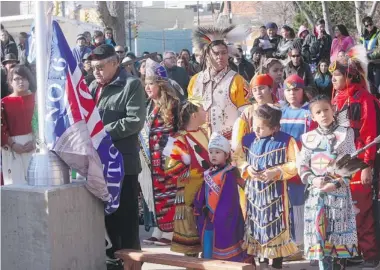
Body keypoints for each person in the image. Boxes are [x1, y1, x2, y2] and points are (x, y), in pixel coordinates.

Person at [87, 44, 146, 266]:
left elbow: (134, 121)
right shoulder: (93, 86)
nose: (96, 72)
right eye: (93, 68)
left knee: (127, 222)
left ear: (114, 63)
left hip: (123, 165)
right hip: (97, 166)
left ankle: (132, 264)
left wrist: (100, 133)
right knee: (107, 222)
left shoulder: (131, 85)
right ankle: (111, 262)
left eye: (101, 67)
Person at [331, 46, 380, 269]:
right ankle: (348, 253)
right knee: (342, 209)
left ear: (349, 76)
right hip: (339, 160)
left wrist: (367, 165)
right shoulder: (337, 99)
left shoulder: (365, 99)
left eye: (336, 76)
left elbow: (370, 134)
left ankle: (369, 253)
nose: (333, 80)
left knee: (361, 209)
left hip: (359, 159)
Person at [297, 95, 359, 270]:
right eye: (318, 112)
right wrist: (313, 179)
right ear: (313, 117)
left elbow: (351, 164)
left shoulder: (345, 133)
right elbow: (302, 164)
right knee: (320, 238)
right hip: (317, 195)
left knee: (338, 242)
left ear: (333, 109)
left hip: (338, 195)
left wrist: (337, 183)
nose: (323, 114)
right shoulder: (308, 137)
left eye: (326, 110)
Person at [235, 104, 299, 270]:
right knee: (256, 223)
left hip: (276, 194)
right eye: (255, 126)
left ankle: (277, 263)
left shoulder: (286, 141)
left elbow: (295, 163)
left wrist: (277, 171)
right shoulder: (247, 140)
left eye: (262, 128)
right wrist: (247, 168)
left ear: (275, 127)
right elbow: (238, 158)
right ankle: (261, 261)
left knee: (275, 223)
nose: (257, 130)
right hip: (254, 192)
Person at [138, 58, 180, 246]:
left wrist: (171, 154)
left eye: (151, 84)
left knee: (169, 194)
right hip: (151, 159)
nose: (148, 88)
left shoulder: (173, 104)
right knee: (156, 194)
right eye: (146, 84)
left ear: (160, 85)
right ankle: (159, 228)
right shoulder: (149, 105)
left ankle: (170, 231)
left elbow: (179, 131)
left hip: (168, 158)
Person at [193, 132, 253, 263]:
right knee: (209, 247)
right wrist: (199, 206)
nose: (213, 155)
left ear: (226, 155)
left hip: (225, 219)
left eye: (218, 152)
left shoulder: (229, 173)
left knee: (226, 247)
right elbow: (202, 193)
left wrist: (219, 215)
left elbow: (228, 198)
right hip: (209, 217)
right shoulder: (208, 173)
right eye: (211, 152)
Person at [162, 97, 209, 255]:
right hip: (189, 195)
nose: (206, 112)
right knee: (191, 241)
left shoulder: (205, 132)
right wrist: (196, 172)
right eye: (202, 109)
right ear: (194, 115)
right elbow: (169, 168)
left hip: (208, 192)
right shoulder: (176, 139)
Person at [189, 25, 250, 140]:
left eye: (224, 53)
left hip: (229, 143)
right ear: (207, 55)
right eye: (216, 53)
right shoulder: (195, 81)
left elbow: (245, 115)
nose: (220, 57)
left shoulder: (238, 81)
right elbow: (191, 115)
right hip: (201, 142)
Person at [280, 75, 315, 257]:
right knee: (287, 206)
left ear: (303, 91)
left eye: (296, 89)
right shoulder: (281, 113)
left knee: (300, 205)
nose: (292, 93)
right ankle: (289, 242)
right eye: (288, 90)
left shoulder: (309, 112)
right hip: (284, 167)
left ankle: (300, 244)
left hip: (303, 168)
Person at [1, 65, 37, 185]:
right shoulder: (4, 103)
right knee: (16, 185)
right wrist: (12, 144)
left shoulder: (37, 99)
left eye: (24, 78)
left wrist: (35, 141)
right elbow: (2, 128)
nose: (21, 82)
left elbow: (42, 123)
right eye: (16, 79)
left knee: (36, 182)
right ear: (10, 82)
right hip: (12, 148)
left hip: (35, 145)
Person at [360, 16, 380, 96]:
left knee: (377, 85)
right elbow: (360, 47)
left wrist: (370, 56)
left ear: (373, 23)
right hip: (367, 64)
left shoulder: (378, 33)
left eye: (370, 24)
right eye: (366, 25)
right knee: (370, 86)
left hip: (377, 63)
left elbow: (379, 49)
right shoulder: (363, 36)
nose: (369, 27)